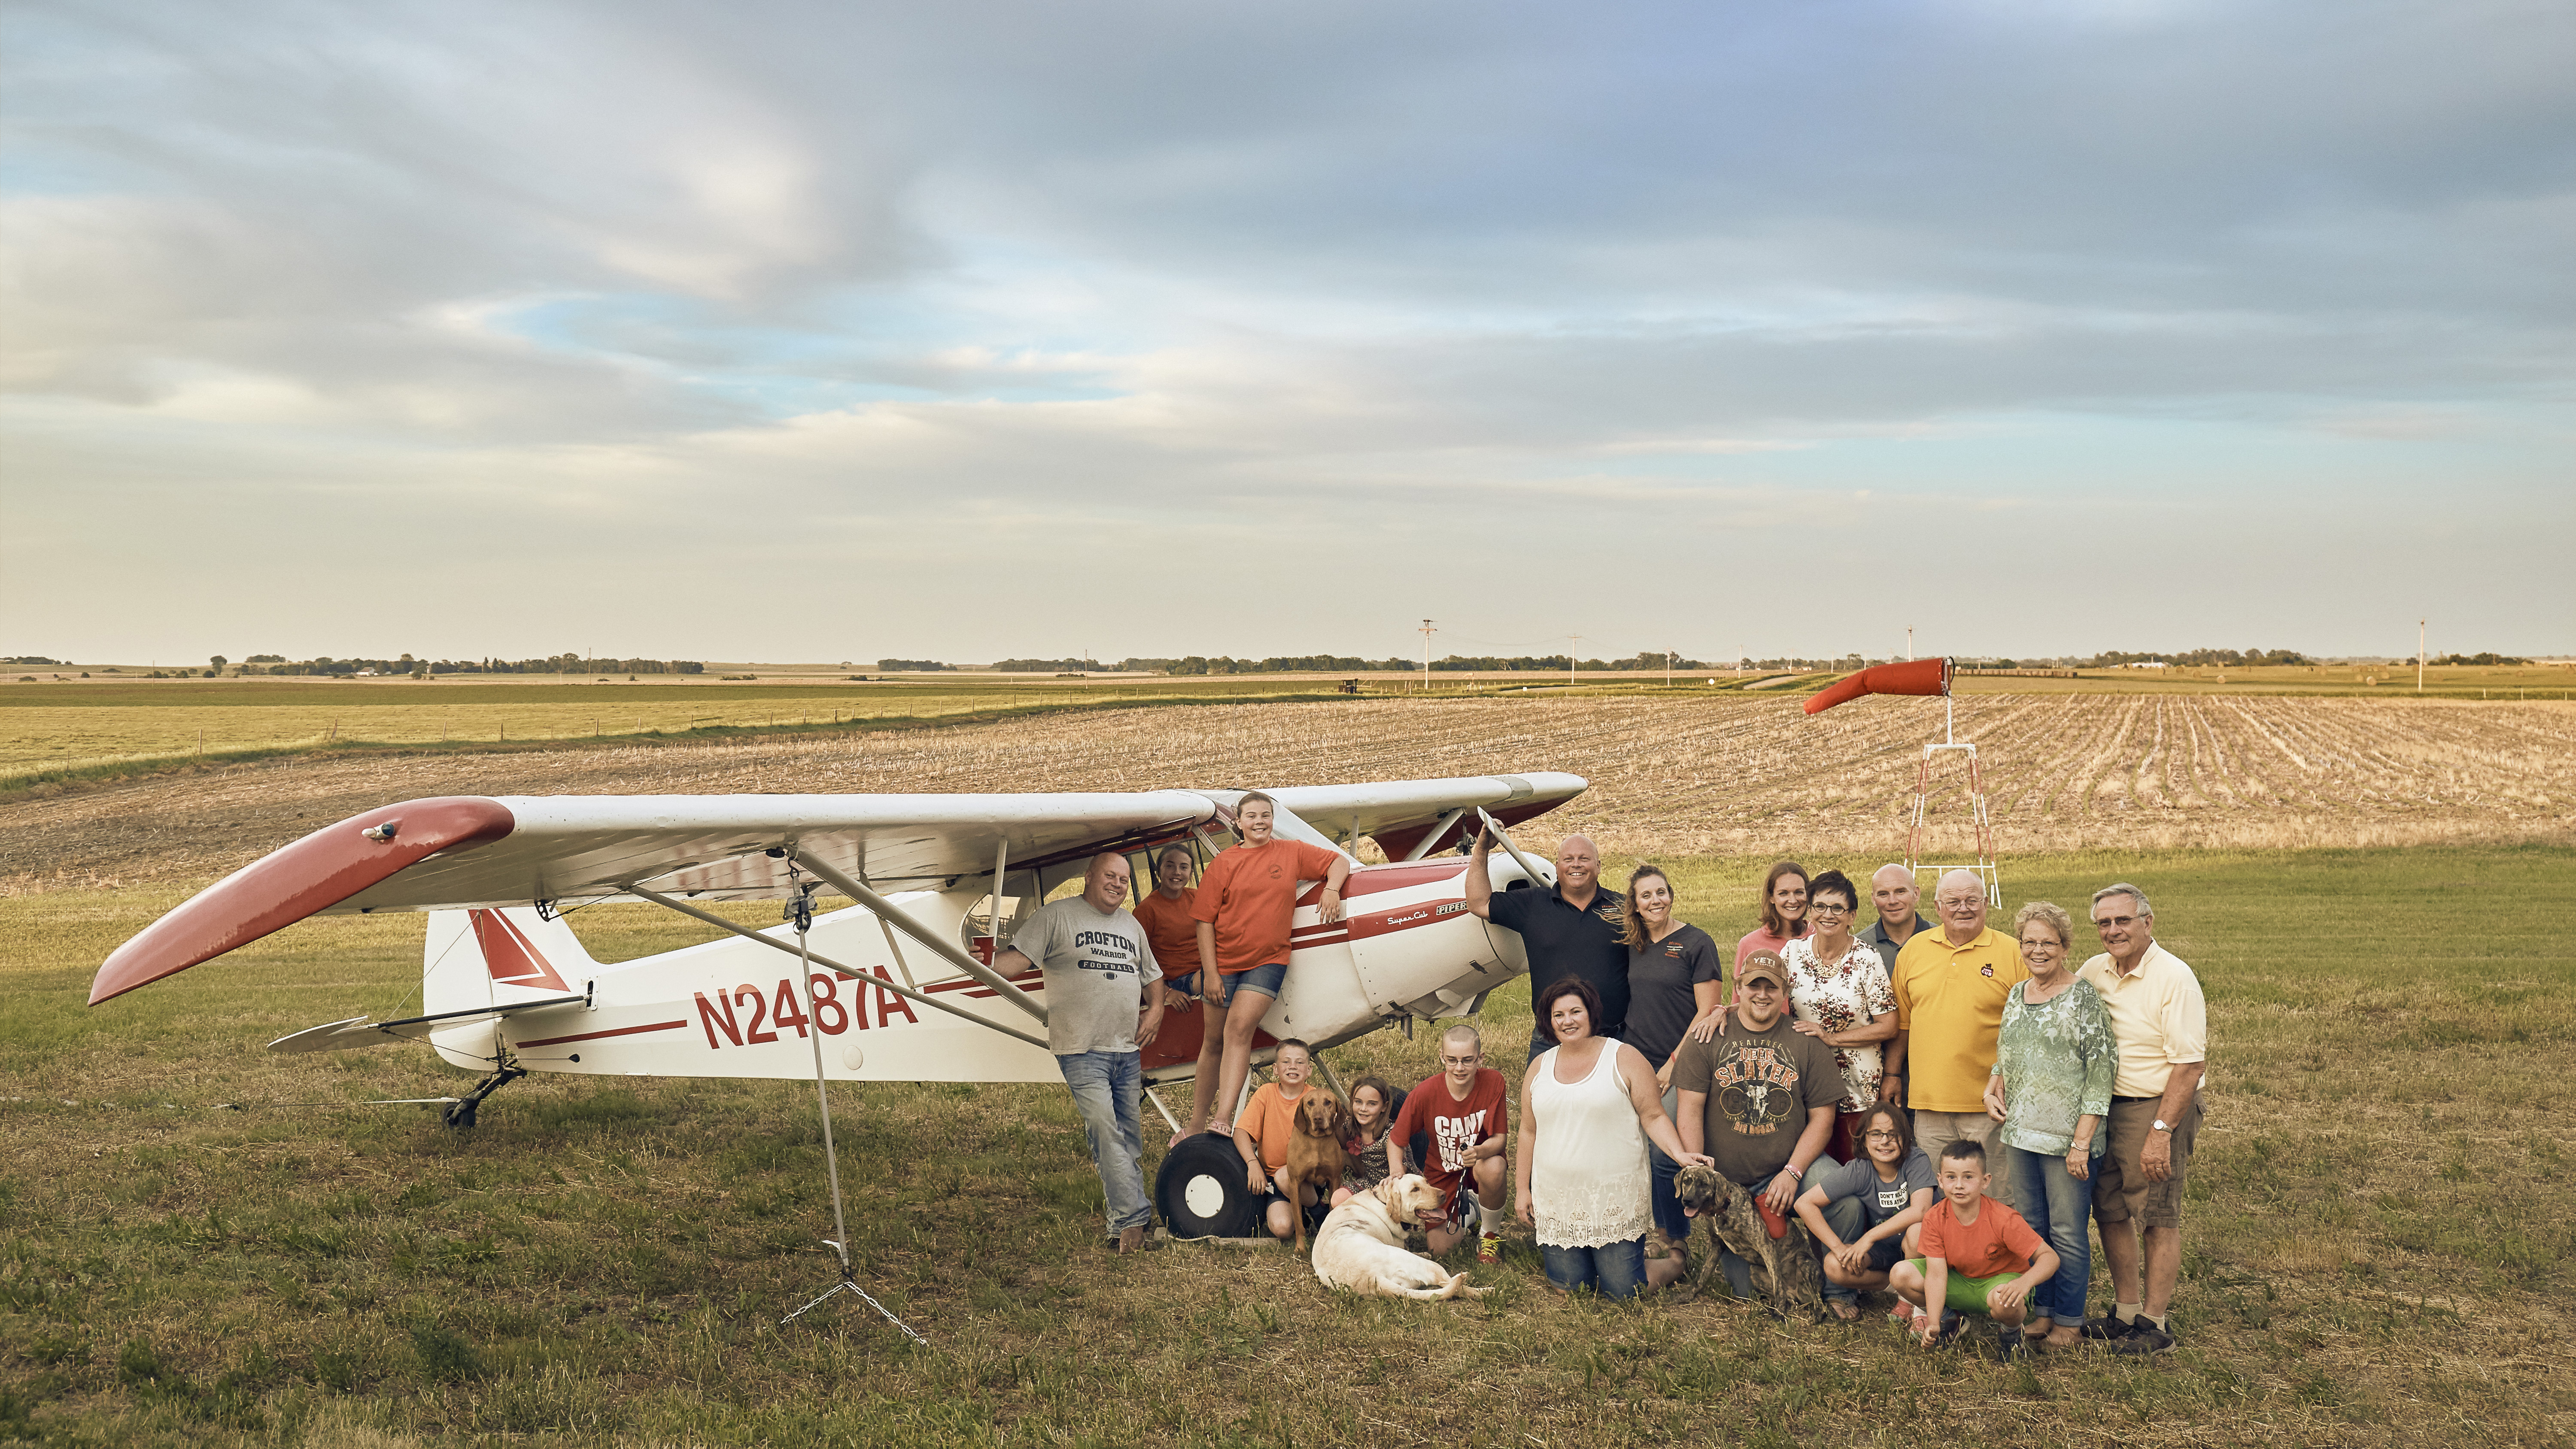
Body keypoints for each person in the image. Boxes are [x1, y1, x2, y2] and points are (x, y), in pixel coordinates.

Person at [990, 851, 1166, 1254]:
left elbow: (1153, 977)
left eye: (1125, 878)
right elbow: (1013, 964)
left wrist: (1155, 1009)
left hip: (1126, 1047)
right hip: (1081, 1049)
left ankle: (1119, 1222)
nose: (1119, 884)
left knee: (1130, 1139)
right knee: (1105, 1129)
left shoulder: (1131, 925)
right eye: (1110, 875)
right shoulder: (1057, 917)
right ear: (1089, 876)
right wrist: (980, 958)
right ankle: (1135, 1221)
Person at [1513, 978, 1710, 1299]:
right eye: (1558, 1014)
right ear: (1549, 1021)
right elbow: (1528, 1130)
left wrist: (1680, 1155)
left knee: (1624, 1290)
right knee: (1572, 1289)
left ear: (1591, 1013)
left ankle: (1676, 1259)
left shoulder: (1623, 1057)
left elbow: (1654, 1115)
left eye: (1576, 1011)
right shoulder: (1539, 1066)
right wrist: (1523, 1189)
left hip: (1612, 1198)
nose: (1568, 1020)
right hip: (1558, 1199)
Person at [2075, 883, 2207, 1356]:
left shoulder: (2174, 977)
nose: (2113, 931)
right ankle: (2126, 1311)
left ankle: (2156, 1324)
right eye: (2104, 923)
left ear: (2147, 923)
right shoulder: (2094, 971)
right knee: (2109, 1209)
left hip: (2156, 1105)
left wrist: (2160, 1133)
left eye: (2122, 921)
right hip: (2106, 1107)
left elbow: (2189, 1066)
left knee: (2156, 1215)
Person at [1671, 952, 1842, 1303]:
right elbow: (1689, 1108)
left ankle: (1839, 1291)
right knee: (1747, 1289)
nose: (1762, 994)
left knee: (1844, 1199)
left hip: (1792, 1168)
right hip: (1733, 1183)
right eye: (1753, 985)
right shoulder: (1707, 1037)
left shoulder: (1805, 1042)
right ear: (1738, 988)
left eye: (1771, 987)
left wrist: (1793, 1172)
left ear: (1785, 992)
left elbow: (1823, 1119)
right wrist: (1699, 1168)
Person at [1983, 901, 2114, 1350]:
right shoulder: (2018, 994)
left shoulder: (2083, 997)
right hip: (2021, 1131)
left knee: (2068, 1232)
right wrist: (1992, 1086)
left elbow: (2101, 1071)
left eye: (2048, 943)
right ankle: (2041, 1311)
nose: (2038, 951)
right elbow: (2006, 1051)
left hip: (2067, 1140)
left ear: (2064, 947)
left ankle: (2070, 1320)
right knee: (2032, 1227)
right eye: (2030, 942)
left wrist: (2082, 1142)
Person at [1186, 793, 1350, 1140]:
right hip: (1224, 963)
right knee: (1213, 1041)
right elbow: (1204, 921)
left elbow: (1337, 862)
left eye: (1266, 815)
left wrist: (1332, 888)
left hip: (1268, 961)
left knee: (1239, 1029)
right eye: (1252, 816)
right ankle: (1197, 1121)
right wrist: (1211, 973)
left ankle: (1224, 1117)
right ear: (1239, 823)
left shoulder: (1290, 852)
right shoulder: (1225, 863)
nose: (1260, 821)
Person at [1888, 869, 2028, 1203]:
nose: (1963, 908)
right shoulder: (1914, 950)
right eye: (1953, 901)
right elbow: (1902, 1023)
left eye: (1972, 900)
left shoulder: (2012, 953)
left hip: (1989, 1105)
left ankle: (1998, 1256)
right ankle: (1945, 1257)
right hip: (1929, 1105)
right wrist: (1893, 1073)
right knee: (1940, 1198)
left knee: (1994, 1196)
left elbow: (2027, 1030)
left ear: (1986, 904)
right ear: (1938, 907)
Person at [1617, 864, 1727, 1285]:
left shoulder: (1697, 943)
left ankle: (1675, 1239)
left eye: (1661, 892)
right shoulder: (1634, 944)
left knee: (1665, 1153)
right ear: (1636, 904)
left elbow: (1708, 1013)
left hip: (1684, 1063)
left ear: (1672, 895)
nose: (1655, 901)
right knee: (1633, 1149)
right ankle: (1639, 1229)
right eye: (1646, 896)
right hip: (1635, 1059)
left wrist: (1671, 1064)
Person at [1465, 829, 1628, 1062]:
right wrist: (1481, 850)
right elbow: (1479, 903)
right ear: (1557, 865)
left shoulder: (1623, 908)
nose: (1576, 865)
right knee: (1543, 1099)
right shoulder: (1533, 904)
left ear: (1599, 866)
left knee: (1616, 1100)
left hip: (1612, 1038)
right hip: (1551, 1038)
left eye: (1584, 859)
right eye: (1568, 859)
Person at [1889, 1140, 2059, 1358]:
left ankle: (2011, 1333)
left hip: (1998, 1284)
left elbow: (2050, 1258)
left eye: (1968, 1177)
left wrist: (2023, 1283)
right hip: (1959, 1281)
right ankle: (1950, 1319)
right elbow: (1936, 1275)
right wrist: (1934, 1320)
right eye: (1951, 1177)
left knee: (2003, 1301)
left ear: (1985, 1181)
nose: (1959, 1185)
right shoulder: (1935, 1217)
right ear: (1940, 1181)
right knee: (1900, 1273)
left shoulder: (2004, 1218)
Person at [1777, 868, 1899, 1164]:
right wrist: (1722, 1013)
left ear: (1852, 915)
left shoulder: (1866, 959)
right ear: (1810, 911)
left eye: (1838, 908)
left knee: (1858, 1168)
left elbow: (1889, 1025)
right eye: (1820, 906)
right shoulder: (1793, 953)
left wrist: (1831, 1038)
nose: (1827, 914)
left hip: (1858, 1086)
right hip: (1807, 1084)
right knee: (1814, 1170)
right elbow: (1762, 998)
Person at [1795, 1103, 1937, 1321]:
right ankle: (1901, 1289)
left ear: (1906, 1137)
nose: (1885, 1141)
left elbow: (1921, 1210)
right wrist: (1839, 1248)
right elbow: (1804, 1204)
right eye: (1876, 1134)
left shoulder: (1916, 1160)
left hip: (1925, 1250)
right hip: (1887, 1251)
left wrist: (1869, 1237)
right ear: (1864, 1138)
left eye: (1893, 1134)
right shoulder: (1860, 1169)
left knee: (1916, 1231)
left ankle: (1918, 1306)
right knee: (1834, 1265)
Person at [1391, 1025, 1512, 1262]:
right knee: (1440, 1250)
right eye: (1452, 1060)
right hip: (1442, 1175)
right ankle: (1472, 1209)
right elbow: (1397, 1140)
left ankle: (1489, 1235)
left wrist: (1479, 1151)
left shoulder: (1494, 1082)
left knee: (1494, 1167)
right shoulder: (1425, 1092)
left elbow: (1500, 1139)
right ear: (1441, 1057)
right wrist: (1398, 1173)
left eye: (1468, 1060)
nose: (1459, 1068)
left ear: (1481, 1058)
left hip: (1480, 1166)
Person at [1234, 1038, 1326, 1241]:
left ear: (1309, 1070)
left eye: (1300, 1062)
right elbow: (1240, 1132)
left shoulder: (1315, 1097)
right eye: (1286, 1062)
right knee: (1282, 1229)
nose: (1293, 1066)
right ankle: (1300, 1213)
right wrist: (1252, 1163)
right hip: (1273, 1178)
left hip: (1309, 1178)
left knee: (1286, 1176)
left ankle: (1319, 1211)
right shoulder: (1266, 1093)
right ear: (1275, 1069)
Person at [1131, 845, 1200, 1012]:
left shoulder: (1197, 897)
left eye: (1184, 867)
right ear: (1158, 871)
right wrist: (1166, 992)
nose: (1177, 872)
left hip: (1208, 970)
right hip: (1180, 981)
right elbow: (1135, 961)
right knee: (1226, 976)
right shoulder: (1146, 910)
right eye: (1170, 866)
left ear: (1190, 873)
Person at [1735, 861, 1810, 973]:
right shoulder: (1749, 944)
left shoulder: (1819, 938)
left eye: (1799, 892)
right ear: (1771, 897)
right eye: (1783, 894)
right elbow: (1740, 989)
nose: (1793, 900)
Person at [1862, 863, 1932, 976]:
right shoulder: (1861, 946)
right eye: (1883, 894)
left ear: (1916, 894)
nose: (1893, 901)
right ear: (1874, 899)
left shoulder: (1940, 940)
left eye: (1900, 892)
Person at [1343, 1074, 1399, 1192]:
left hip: (1394, 1185)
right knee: (1339, 1197)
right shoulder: (1351, 1125)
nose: (1363, 1108)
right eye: (1358, 1102)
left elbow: (1400, 1171)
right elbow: (1335, 1125)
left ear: (1384, 1106)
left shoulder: (1391, 1133)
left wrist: (1384, 1189)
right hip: (1369, 1182)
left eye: (1372, 1104)